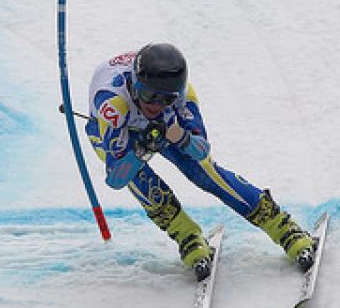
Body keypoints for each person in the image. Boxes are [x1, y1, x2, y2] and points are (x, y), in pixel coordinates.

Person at [85, 42, 315, 280]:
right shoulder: (113, 103)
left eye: (166, 100)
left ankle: (281, 226)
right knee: (141, 180)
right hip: (115, 127)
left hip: (165, 126)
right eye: (149, 95)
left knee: (205, 172)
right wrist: (141, 149)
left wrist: (179, 135)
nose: (155, 105)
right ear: (135, 85)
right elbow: (116, 178)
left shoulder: (183, 96)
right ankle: (186, 235)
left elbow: (201, 152)